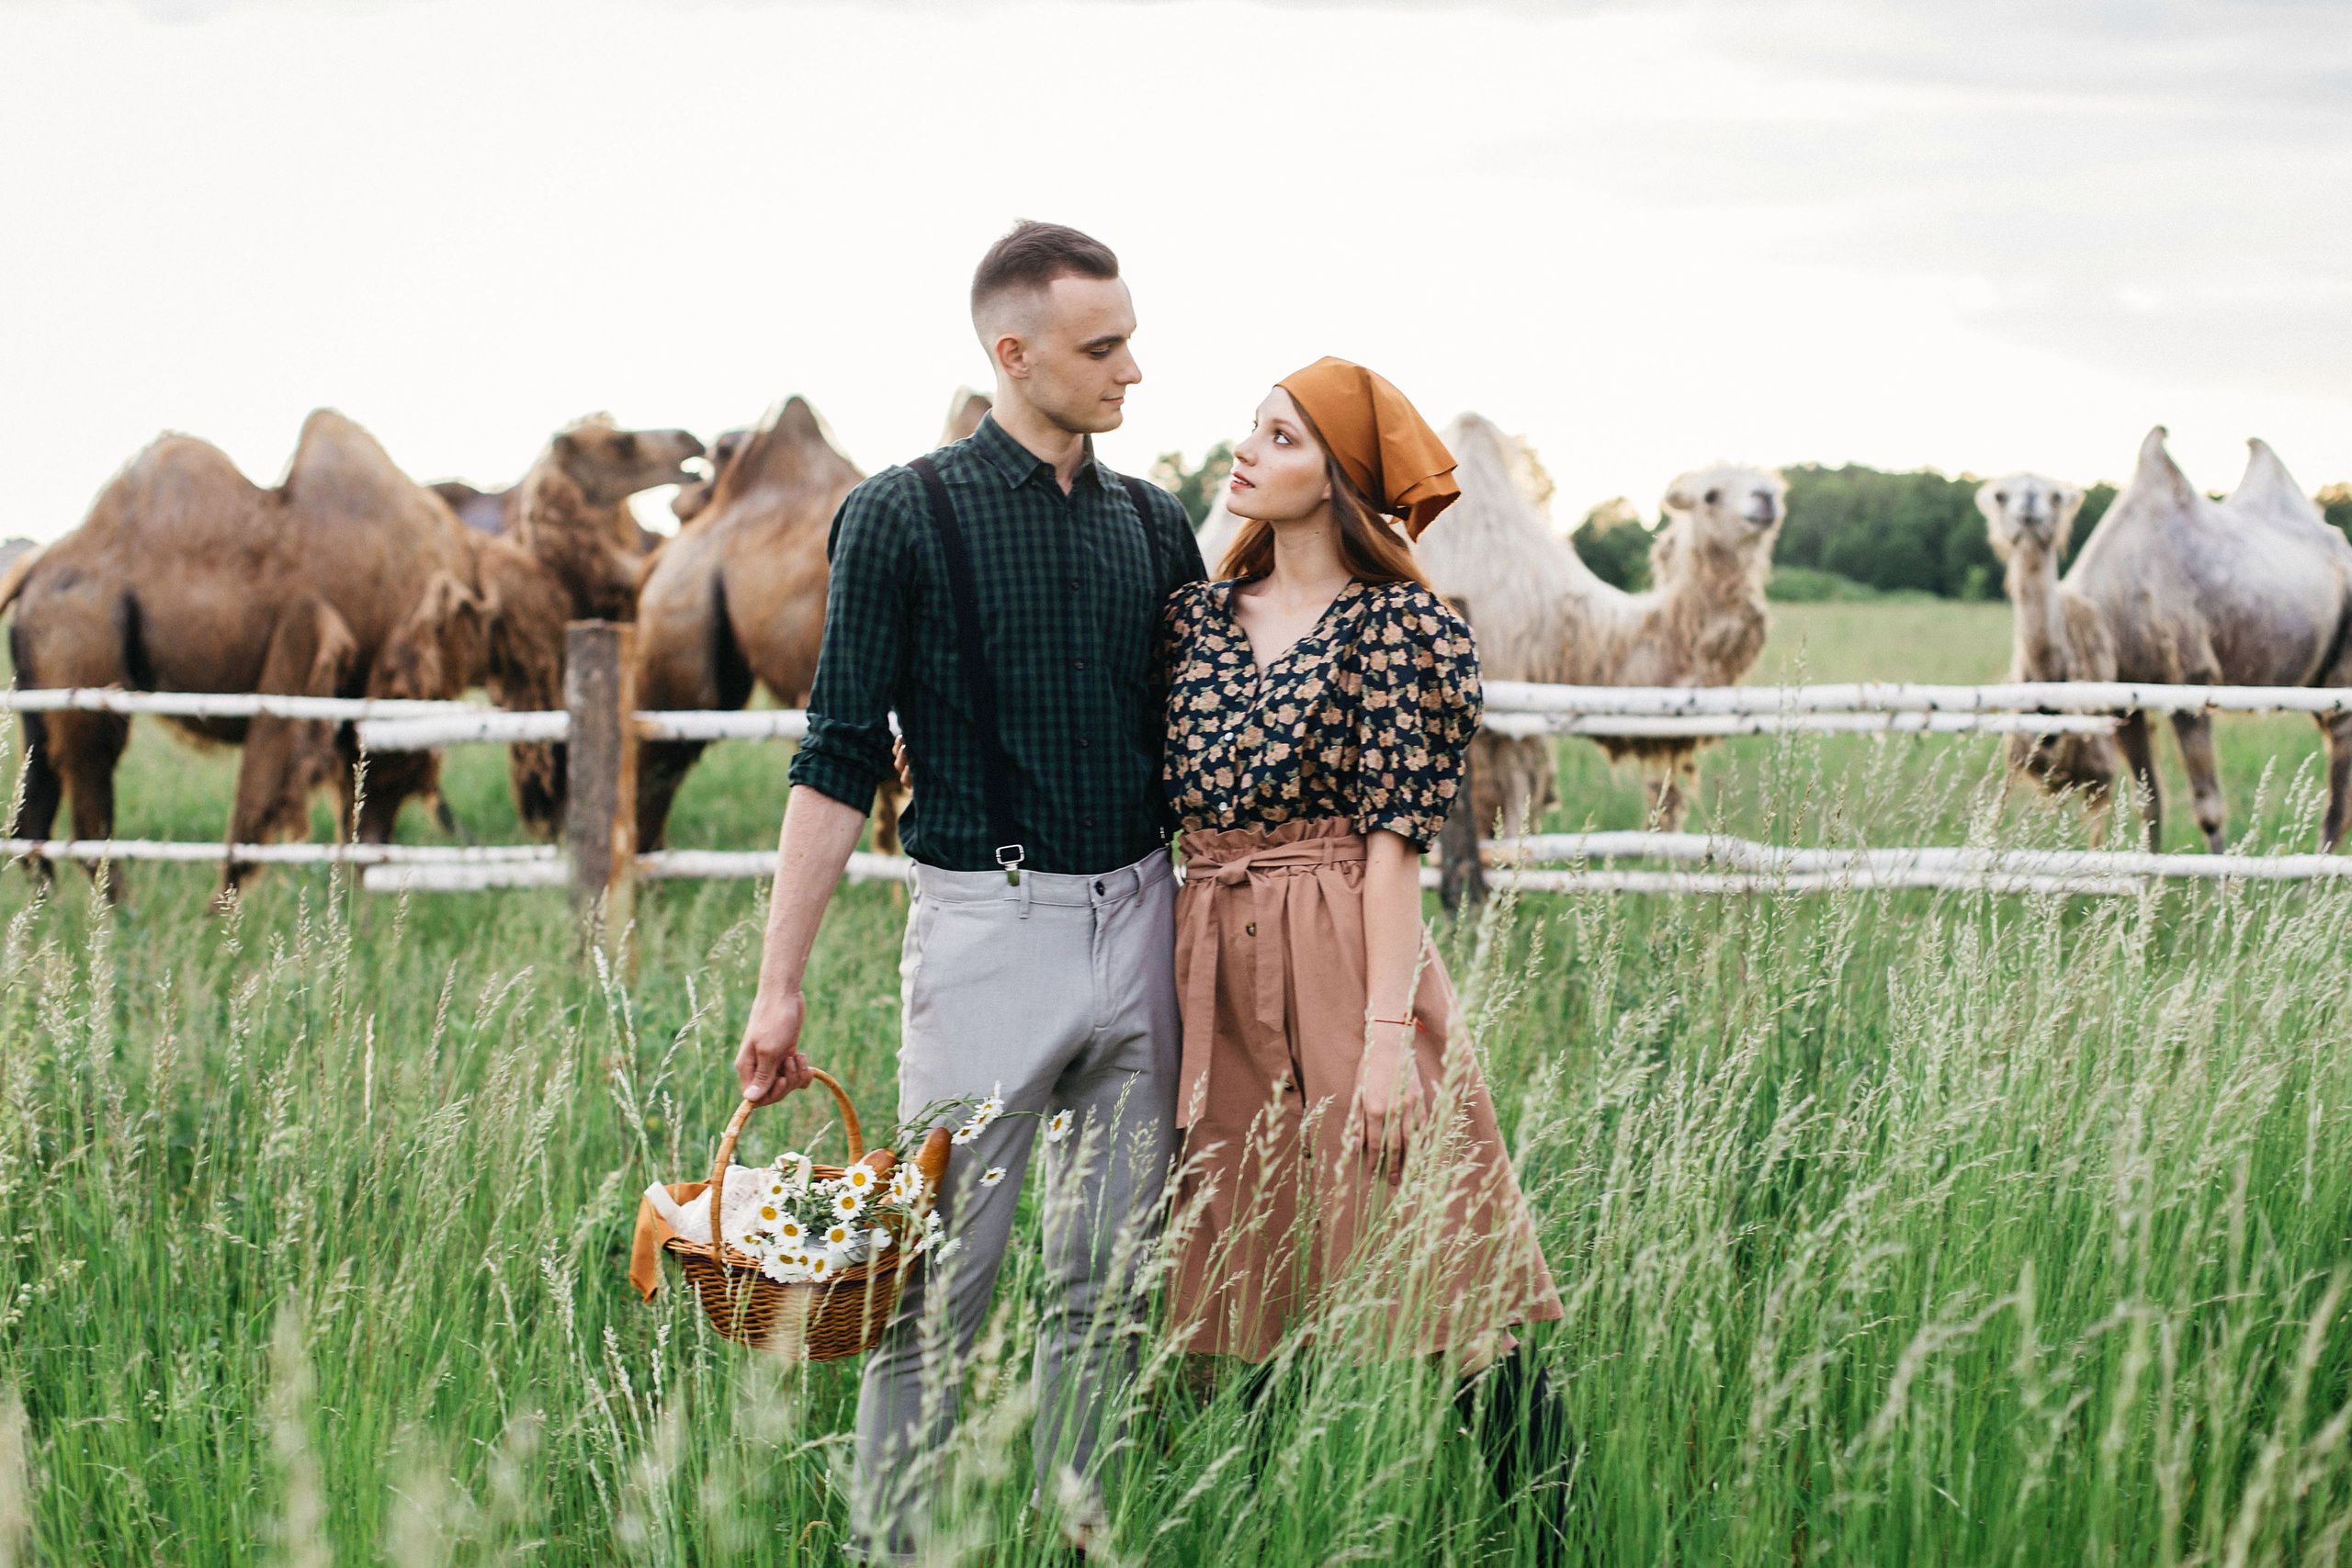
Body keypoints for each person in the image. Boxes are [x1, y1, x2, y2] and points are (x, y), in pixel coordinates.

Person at [731, 220, 1204, 1560]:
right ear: (1015, 352)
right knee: (936, 1288)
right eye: (1101, 347)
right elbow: (832, 759)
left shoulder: (1153, 521)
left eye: (1129, 339)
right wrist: (780, 987)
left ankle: (1081, 1531)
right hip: (988, 936)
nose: (1132, 371)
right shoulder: (900, 513)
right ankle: (897, 1549)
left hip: (1144, 921)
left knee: (1104, 1286)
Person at [1159, 358, 1573, 1543]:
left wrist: (1388, 1039)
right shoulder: (1191, 620)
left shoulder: (1401, 628)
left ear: (1337, 480)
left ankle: (1548, 1526)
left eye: (1278, 437)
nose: (1243, 451)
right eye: (1250, 427)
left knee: (1431, 1242)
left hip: (1349, 943)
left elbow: (1396, 845)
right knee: (1232, 1261)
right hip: (1210, 952)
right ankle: (1247, 1524)